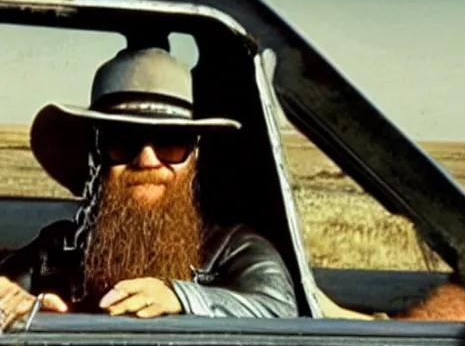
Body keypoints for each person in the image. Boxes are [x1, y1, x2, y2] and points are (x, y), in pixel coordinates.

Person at [0, 46, 299, 331]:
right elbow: (7, 285)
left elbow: (280, 310)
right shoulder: (56, 252)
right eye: (124, 140)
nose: (147, 159)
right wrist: (24, 310)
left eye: (170, 141)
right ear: (97, 154)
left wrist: (182, 298)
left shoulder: (234, 249)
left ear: (194, 156)